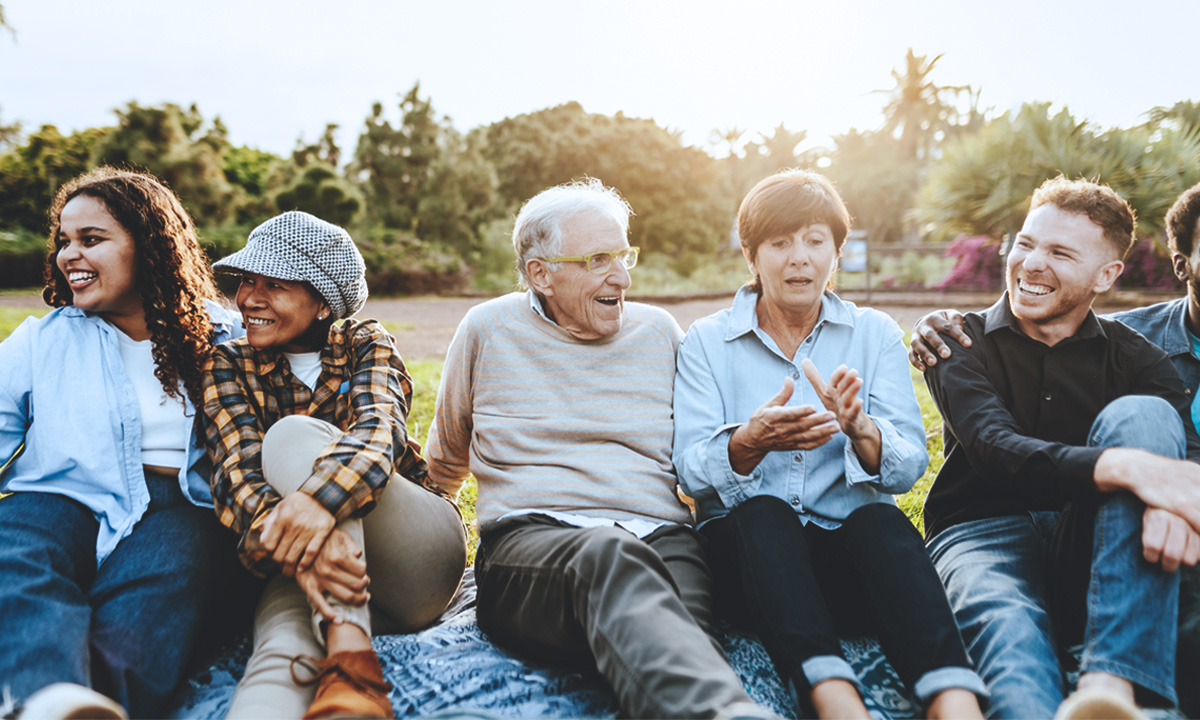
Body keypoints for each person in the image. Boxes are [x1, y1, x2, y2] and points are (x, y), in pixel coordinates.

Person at [425, 179, 774, 720]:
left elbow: (701, 448)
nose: (623, 277)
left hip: (661, 537)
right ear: (540, 273)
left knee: (683, 642)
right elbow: (444, 461)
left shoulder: (659, 332)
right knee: (609, 561)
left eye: (623, 254)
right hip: (533, 544)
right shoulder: (487, 329)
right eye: (597, 259)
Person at [672, 171, 986, 720]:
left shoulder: (875, 333)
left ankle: (953, 702)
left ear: (836, 254)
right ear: (751, 256)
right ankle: (835, 702)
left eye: (816, 242)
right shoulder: (705, 340)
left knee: (882, 523)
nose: (800, 259)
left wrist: (863, 431)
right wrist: (748, 442)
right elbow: (692, 472)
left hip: (848, 569)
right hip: (750, 572)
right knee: (763, 514)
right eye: (780, 243)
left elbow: (909, 462)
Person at [909, 177, 1200, 719]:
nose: (1032, 263)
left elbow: (1174, 452)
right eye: (1025, 243)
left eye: (1060, 252)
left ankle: (1111, 684)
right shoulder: (957, 341)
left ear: (1106, 275)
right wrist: (1124, 466)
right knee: (1008, 630)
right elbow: (996, 450)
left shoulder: (1139, 360)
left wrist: (1170, 500)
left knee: (1147, 415)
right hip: (980, 529)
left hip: (1087, 535)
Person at [202, 211, 467, 720]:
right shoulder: (228, 363)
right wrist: (306, 541)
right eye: (247, 281)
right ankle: (331, 696)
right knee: (280, 647)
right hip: (297, 564)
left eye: (273, 284)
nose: (250, 298)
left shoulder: (365, 342)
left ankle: (351, 655)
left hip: (416, 556)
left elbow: (378, 435)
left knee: (292, 435)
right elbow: (237, 481)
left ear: (324, 303)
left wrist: (312, 504)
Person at [0, 167, 243, 719]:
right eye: (64, 241)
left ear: (149, 246)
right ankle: (41, 693)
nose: (69, 255)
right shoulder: (43, 340)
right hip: (57, 498)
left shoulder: (225, 338)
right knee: (14, 557)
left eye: (91, 239)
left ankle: (90, 707)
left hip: (179, 503)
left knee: (163, 582)